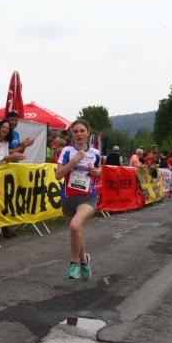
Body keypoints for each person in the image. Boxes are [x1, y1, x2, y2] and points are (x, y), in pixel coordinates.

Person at [56, 119, 102, 280]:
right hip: (68, 197)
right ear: (72, 133)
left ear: (88, 133)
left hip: (88, 197)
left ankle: (74, 262)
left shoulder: (95, 153)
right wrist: (74, 161)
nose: (79, 134)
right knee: (77, 230)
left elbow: (99, 171)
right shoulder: (67, 151)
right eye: (75, 131)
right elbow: (58, 175)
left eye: (82, 131)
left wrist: (98, 172)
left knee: (75, 226)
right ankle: (84, 260)